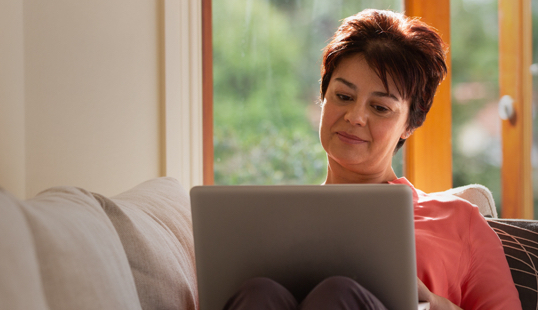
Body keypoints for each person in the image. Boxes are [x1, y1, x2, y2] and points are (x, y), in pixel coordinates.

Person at [224, 9, 522, 310]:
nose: (354, 117)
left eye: (380, 108)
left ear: (409, 124)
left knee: (337, 294)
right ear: (323, 96)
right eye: (343, 96)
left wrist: (433, 303)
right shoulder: (269, 223)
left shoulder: (459, 222)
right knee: (258, 292)